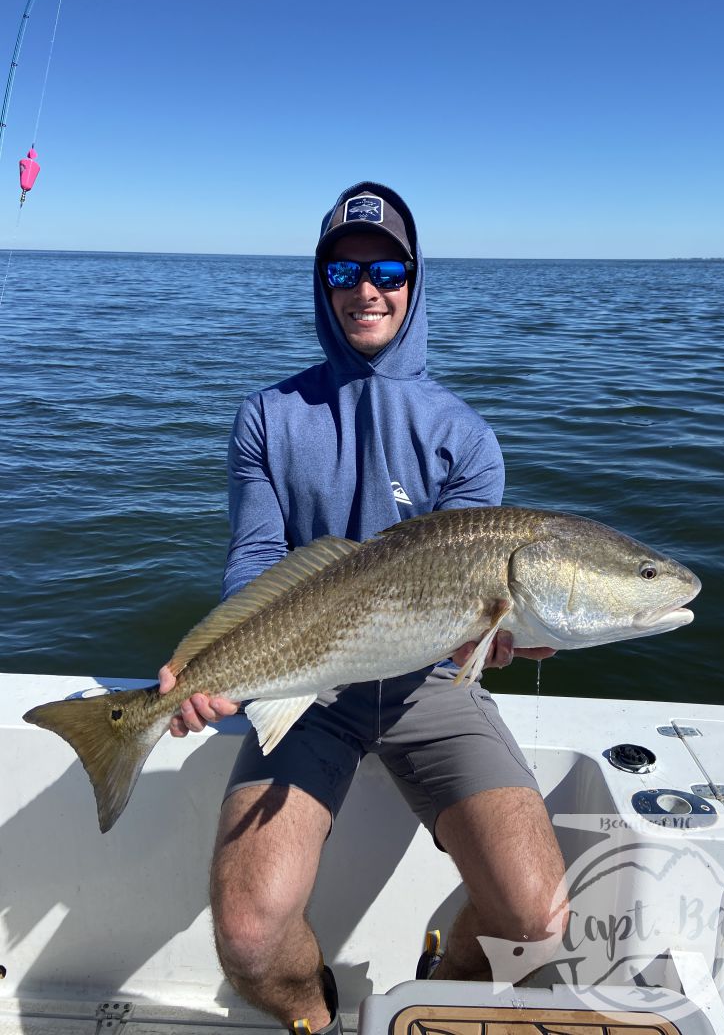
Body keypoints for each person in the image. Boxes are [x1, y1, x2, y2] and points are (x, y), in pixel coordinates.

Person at [158, 182, 569, 1032]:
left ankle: (436, 991)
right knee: (248, 931)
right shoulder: (267, 419)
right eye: (344, 270)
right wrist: (220, 661)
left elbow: (472, 601)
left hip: (431, 688)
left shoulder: (466, 437)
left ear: (415, 280)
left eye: (386, 267)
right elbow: (256, 559)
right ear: (322, 282)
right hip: (311, 683)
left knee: (535, 921)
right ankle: (322, 1020)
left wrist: (501, 637)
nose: (366, 288)